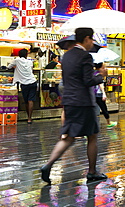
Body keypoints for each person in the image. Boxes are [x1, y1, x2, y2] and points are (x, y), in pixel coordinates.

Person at [40, 27, 108, 184]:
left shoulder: (66, 56)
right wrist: (100, 76)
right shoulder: (85, 56)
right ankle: (92, 171)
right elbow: (88, 81)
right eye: (91, 39)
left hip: (69, 101)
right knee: (92, 136)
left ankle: (48, 165)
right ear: (86, 39)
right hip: (84, 102)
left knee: (69, 137)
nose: (92, 42)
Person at [7, 48, 37, 125]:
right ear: (26, 55)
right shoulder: (30, 62)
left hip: (24, 83)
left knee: (26, 100)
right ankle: (29, 118)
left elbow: (8, 67)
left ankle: (28, 117)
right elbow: (31, 69)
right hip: (33, 81)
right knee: (31, 100)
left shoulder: (16, 60)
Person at [94, 63, 117, 128]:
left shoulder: (92, 73)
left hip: (92, 95)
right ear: (100, 68)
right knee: (104, 109)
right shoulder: (99, 75)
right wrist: (104, 94)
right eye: (103, 68)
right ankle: (108, 123)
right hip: (98, 94)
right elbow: (101, 85)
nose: (105, 69)